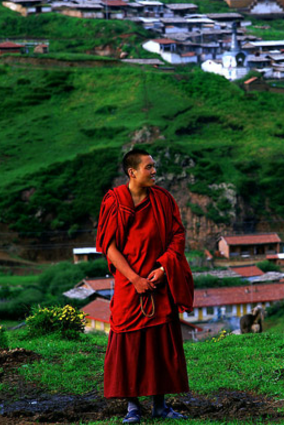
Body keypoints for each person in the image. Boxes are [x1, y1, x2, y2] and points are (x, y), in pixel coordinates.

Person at [96, 148, 194, 423]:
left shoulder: (163, 199)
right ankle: (132, 408)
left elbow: (177, 235)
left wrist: (164, 268)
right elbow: (110, 247)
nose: (154, 172)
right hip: (130, 285)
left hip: (158, 283)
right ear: (132, 172)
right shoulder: (114, 201)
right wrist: (135, 279)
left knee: (159, 344)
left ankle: (160, 406)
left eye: (154, 167)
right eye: (149, 167)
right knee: (129, 342)